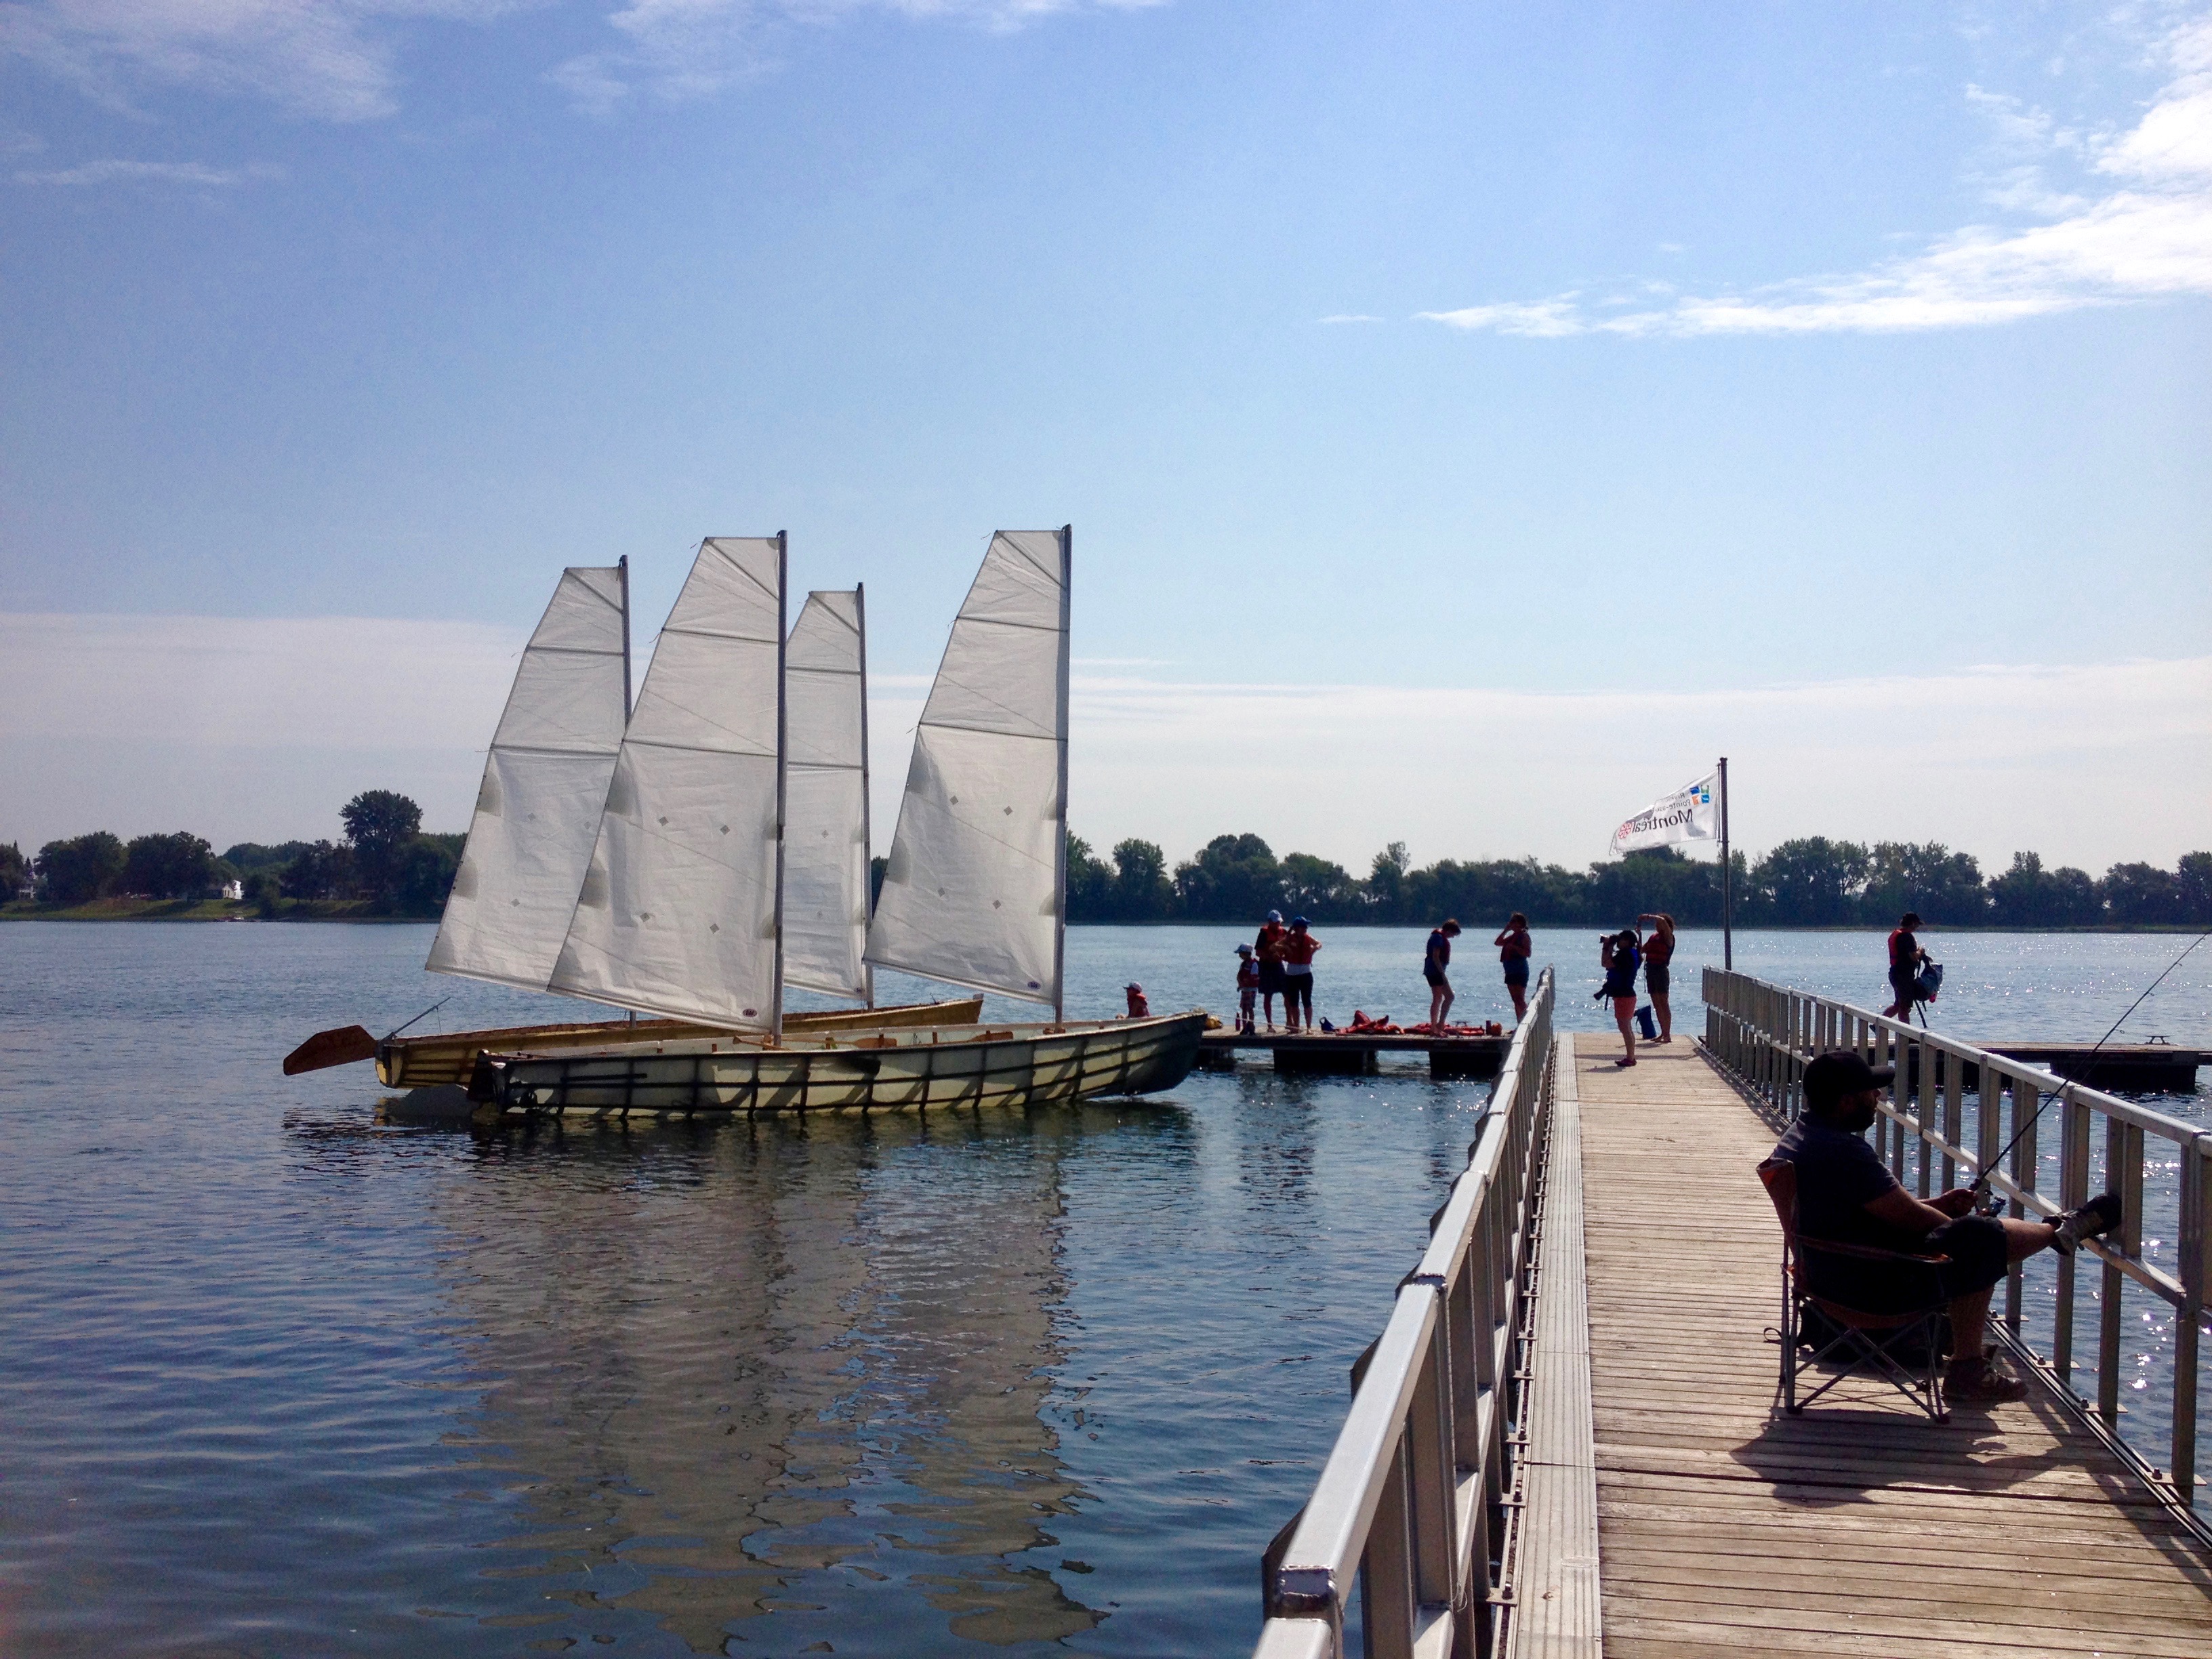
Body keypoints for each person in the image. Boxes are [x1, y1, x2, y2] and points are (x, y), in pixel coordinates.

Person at [1771, 1050, 2122, 1404]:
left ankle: (2061, 1230)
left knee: (1973, 1233)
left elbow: (1872, 1209)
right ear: (1847, 1101)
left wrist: (1940, 1205)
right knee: (1979, 1240)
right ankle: (1969, 1369)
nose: (1878, 1096)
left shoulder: (1800, 1136)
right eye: (1870, 1091)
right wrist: (1964, 1226)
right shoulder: (1844, 1152)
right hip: (1867, 1287)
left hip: (1824, 1273)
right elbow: (1911, 1218)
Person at [1598, 928, 1640, 1066]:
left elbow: (1606, 963)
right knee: (1626, 1027)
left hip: (1625, 996)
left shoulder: (1625, 955)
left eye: (1620, 940)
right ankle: (1631, 1057)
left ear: (1627, 941)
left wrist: (1608, 946)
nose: (1618, 942)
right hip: (1626, 995)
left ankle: (1630, 1058)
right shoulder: (1632, 953)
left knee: (1625, 1027)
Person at [1637, 912, 1677, 1043]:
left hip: (1661, 971)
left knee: (1664, 1002)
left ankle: (1667, 1035)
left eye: (1658, 923)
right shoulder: (1653, 937)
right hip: (1651, 971)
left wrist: (1648, 917)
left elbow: (1663, 922)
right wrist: (1639, 935)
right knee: (1656, 1003)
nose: (1656, 925)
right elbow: (1642, 950)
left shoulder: (1669, 937)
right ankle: (1663, 1033)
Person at [1280, 916, 1322, 1033]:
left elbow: (1319, 944)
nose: (1305, 929)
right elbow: (1274, 947)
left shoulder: (1308, 938)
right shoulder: (1289, 938)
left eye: (1306, 927)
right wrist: (1285, 947)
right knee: (1294, 1002)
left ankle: (1309, 1027)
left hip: (1306, 974)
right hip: (1292, 975)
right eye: (1303, 927)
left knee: (1307, 1001)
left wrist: (1315, 948)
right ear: (1297, 928)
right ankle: (1296, 1027)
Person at [1883, 912, 1927, 1019]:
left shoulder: (1897, 934)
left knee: (1899, 1004)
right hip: (1903, 976)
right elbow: (1913, 956)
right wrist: (1920, 951)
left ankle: (1877, 1025)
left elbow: (1905, 954)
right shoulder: (1907, 936)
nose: (1917, 928)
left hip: (1895, 973)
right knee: (1904, 1007)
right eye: (1917, 925)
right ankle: (1904, 1031)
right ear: (1912, 923)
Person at [1254, 909, 1290, 1031]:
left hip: (1278, 965)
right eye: (1275, 922)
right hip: (1266, 966)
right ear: (1269, 921)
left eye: (1279, 922)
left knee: (1287, 993)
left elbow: (1288, 948)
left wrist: (1284, 956)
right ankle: (1270, 1024)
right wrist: (1270, 956)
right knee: (1268, 995)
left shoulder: (1284, 932)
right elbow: (1258, 952)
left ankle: (1289, 1022)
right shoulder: (1264, 933)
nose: (1277, 924)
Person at [1494, 913, 1533, 1022]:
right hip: (1510, 971)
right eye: (1511, 922)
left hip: (1520, 971)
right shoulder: (1512, 937)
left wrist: (1514, 948)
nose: (1512, 924)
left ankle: (1528, 1022)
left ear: (1520, 923)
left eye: (1514, 922)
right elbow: (1497, 943)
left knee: (1520, 999)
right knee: (1515, 1000)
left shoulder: (1524, 936)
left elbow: (1528, 953)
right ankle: (1519, 1023)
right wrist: (1506, 930)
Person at [1424, 919, 1462, 1031]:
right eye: (1453, 934)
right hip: (1435, 971)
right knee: (1438, 998)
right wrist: (1442, 974)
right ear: (1449, 930)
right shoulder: (1438, 937)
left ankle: (1440, 1025)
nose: (1453, 937)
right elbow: (1435, 956)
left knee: (1449, 997)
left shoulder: (1440, 937)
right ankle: (1434, 1029)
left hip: (1437, 971)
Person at [1233, 943, 1260, 1035]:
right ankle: (1244, 1027)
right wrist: (1240, 984)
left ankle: (1251, 1026)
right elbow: (1239, 976)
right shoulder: (1243, 964)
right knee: (1244, 1008)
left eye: (1241, 954)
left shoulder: (1254, 964)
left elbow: (1253, 977)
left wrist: (1245, 983)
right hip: (1244, 990)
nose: (1240, 956)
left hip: (1251, 990)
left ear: (1246, 953)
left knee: (1250, 1008)